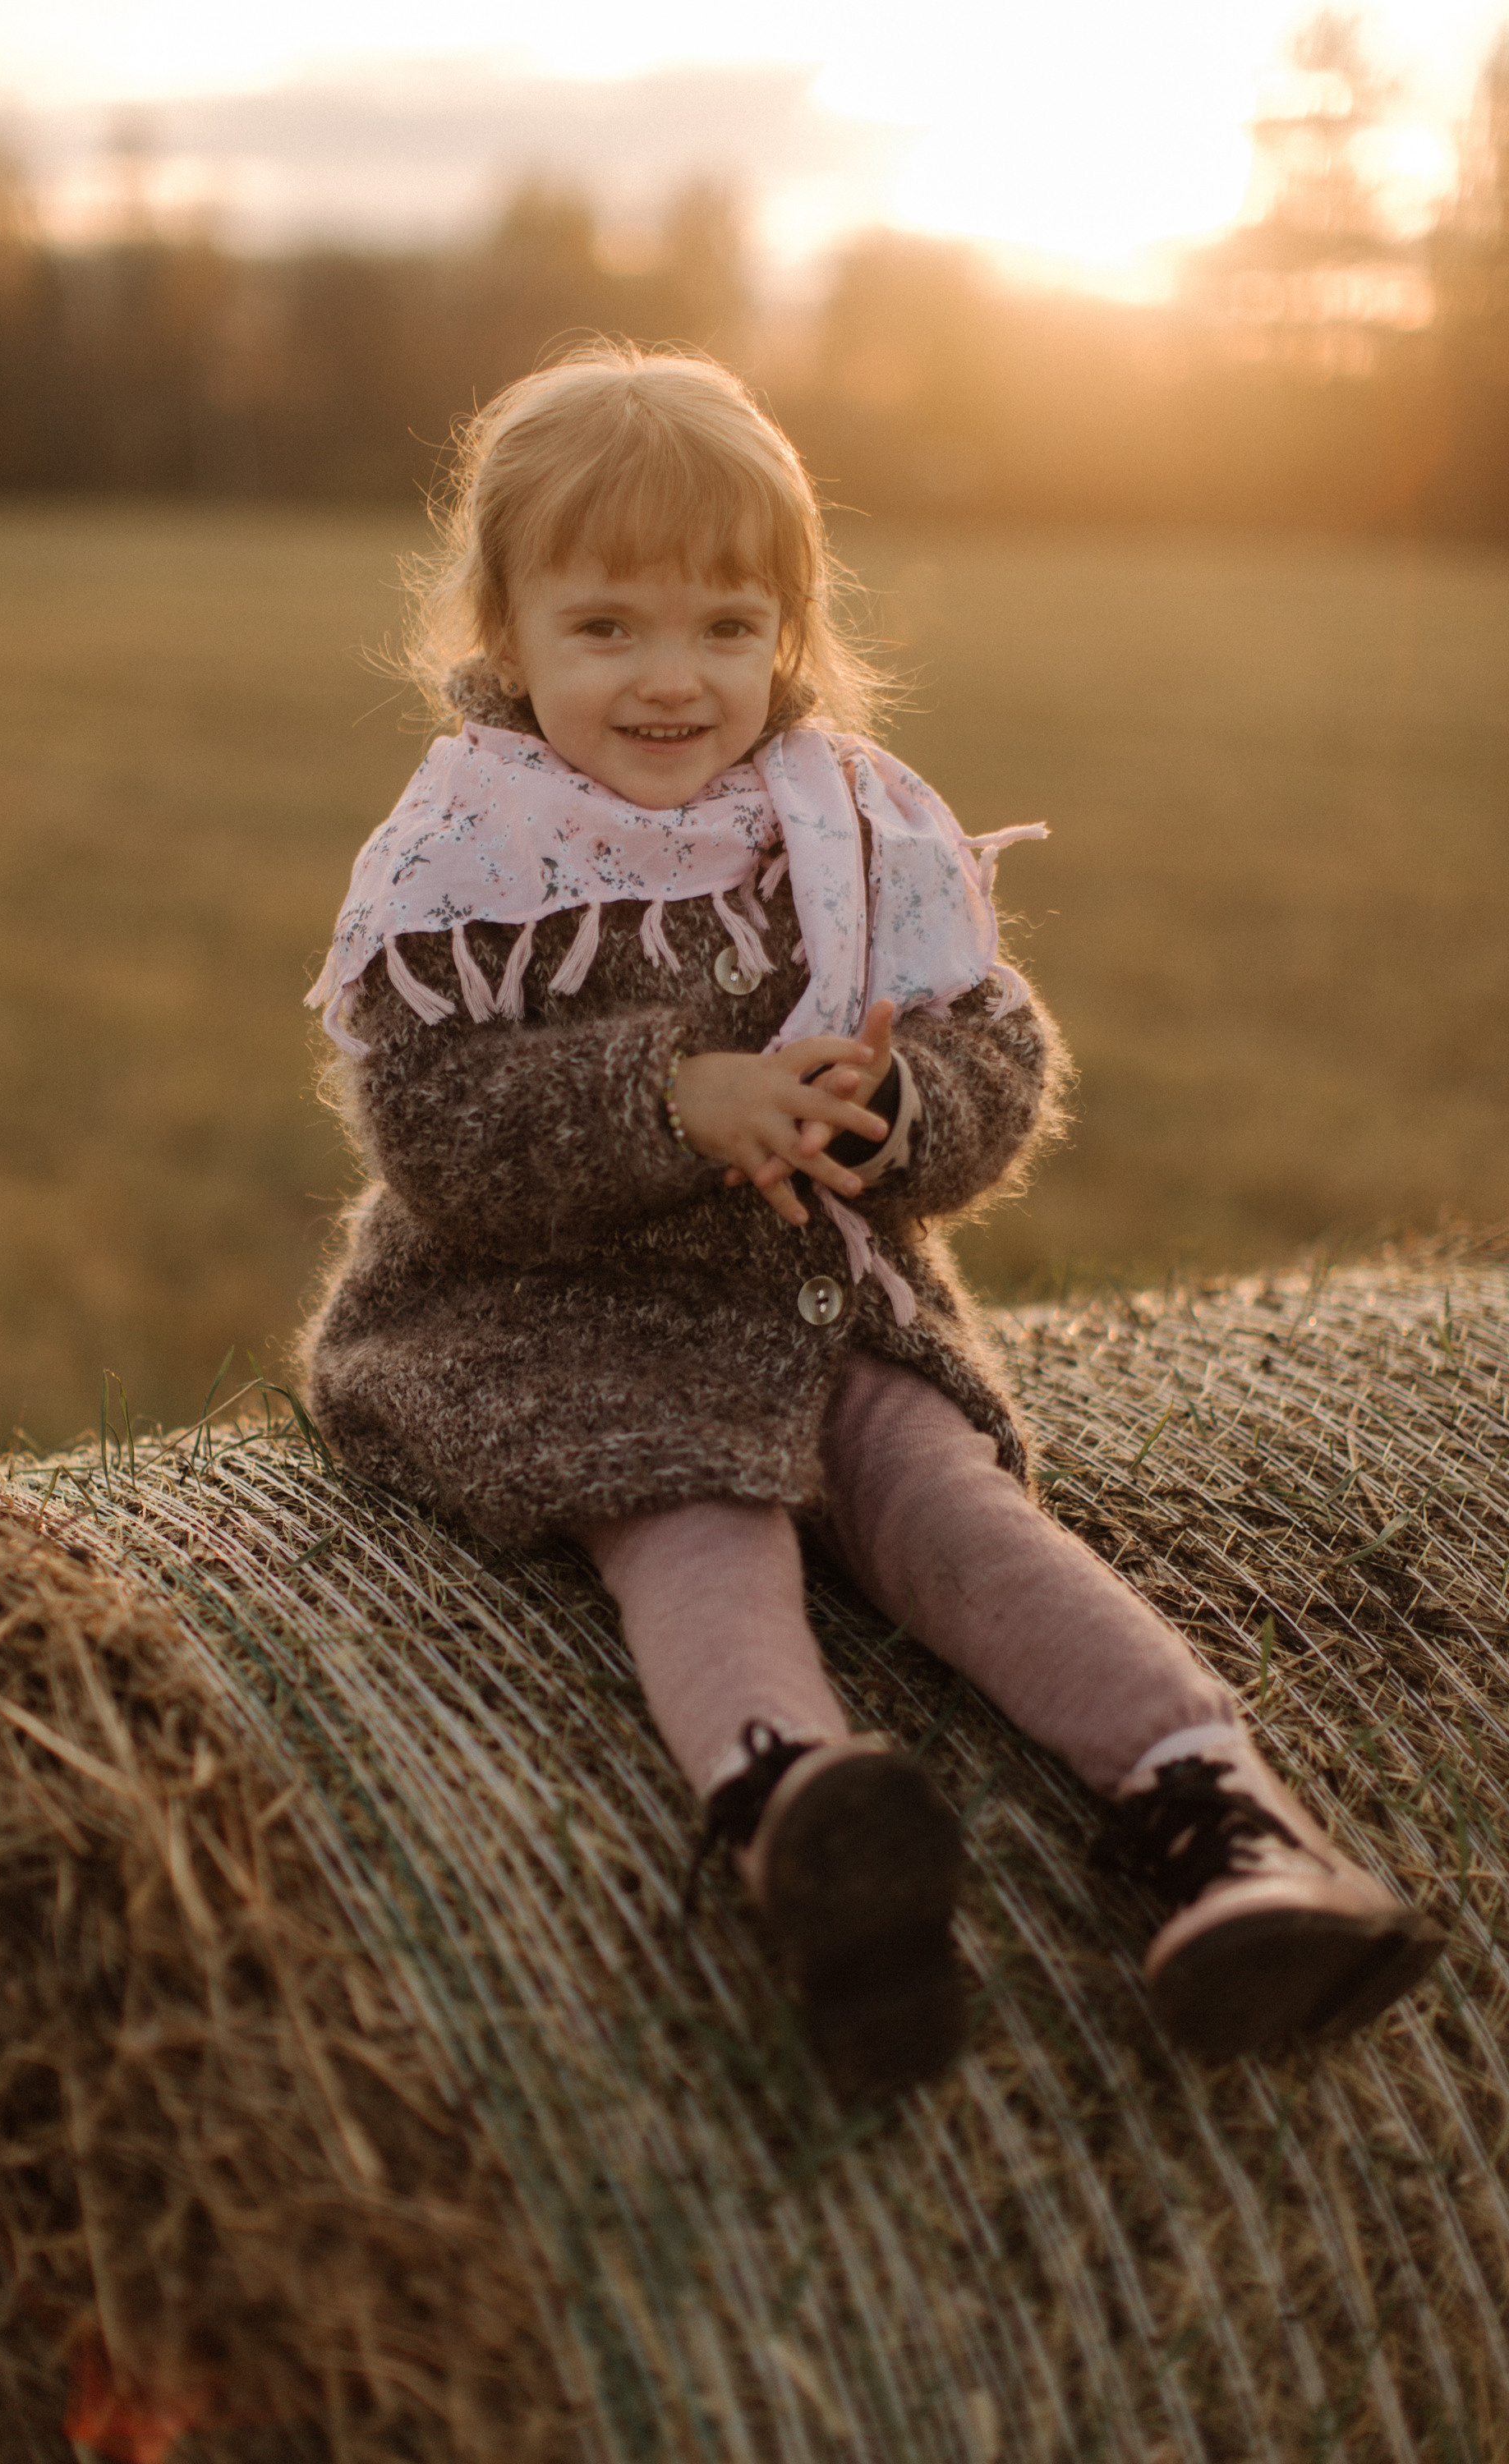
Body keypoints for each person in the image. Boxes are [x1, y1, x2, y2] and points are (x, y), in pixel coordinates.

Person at [301, 346, 1445, 2104]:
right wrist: (666, 1101)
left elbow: (996, 1050)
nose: (674, 679)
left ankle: (1219, 1822)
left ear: (791, 631)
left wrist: (903, 1116)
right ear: (505, 633)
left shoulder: (854, 824)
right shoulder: (474, 850)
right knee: (695, 1514)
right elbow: (432, 1124)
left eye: (725, 628)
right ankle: (800, 1816)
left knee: (959, 1516)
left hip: (824, 1307)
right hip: (556, 1326)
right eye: (607, 628)